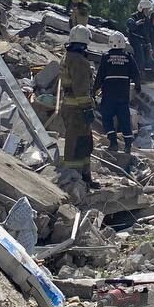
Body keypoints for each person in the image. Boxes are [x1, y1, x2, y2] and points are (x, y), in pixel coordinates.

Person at [59, 25, 98, 189]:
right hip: (77, 110)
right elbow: (81, 89)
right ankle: (76, 180)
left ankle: (83, 176)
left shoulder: (68, 56)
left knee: (81, 143)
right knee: (78, 145)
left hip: (70, 107)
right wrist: (88, 109)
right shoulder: (79, 61)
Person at [94, 31, 141, 153]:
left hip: (109, 95)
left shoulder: (106, 57)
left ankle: (113, 142)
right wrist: (138, 86)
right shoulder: (128, 57)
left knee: (107, 118)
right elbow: (136, 74)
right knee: (124, 119)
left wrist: (93, 90)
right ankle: (128, 146)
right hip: (123, 96)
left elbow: (99, 77)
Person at [127, 0, 154, 79]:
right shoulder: (133, 17)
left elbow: (147, 33)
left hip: (143, 41)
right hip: (135, 40)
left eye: (148, 10)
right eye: (146, 10)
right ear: (142, 9)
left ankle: (145, 75)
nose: (148, 12)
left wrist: (149, 44)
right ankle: (135, 77)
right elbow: (129, 26)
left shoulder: (147, 20)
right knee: (139, 57)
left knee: (148, 59)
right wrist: (136, 24)